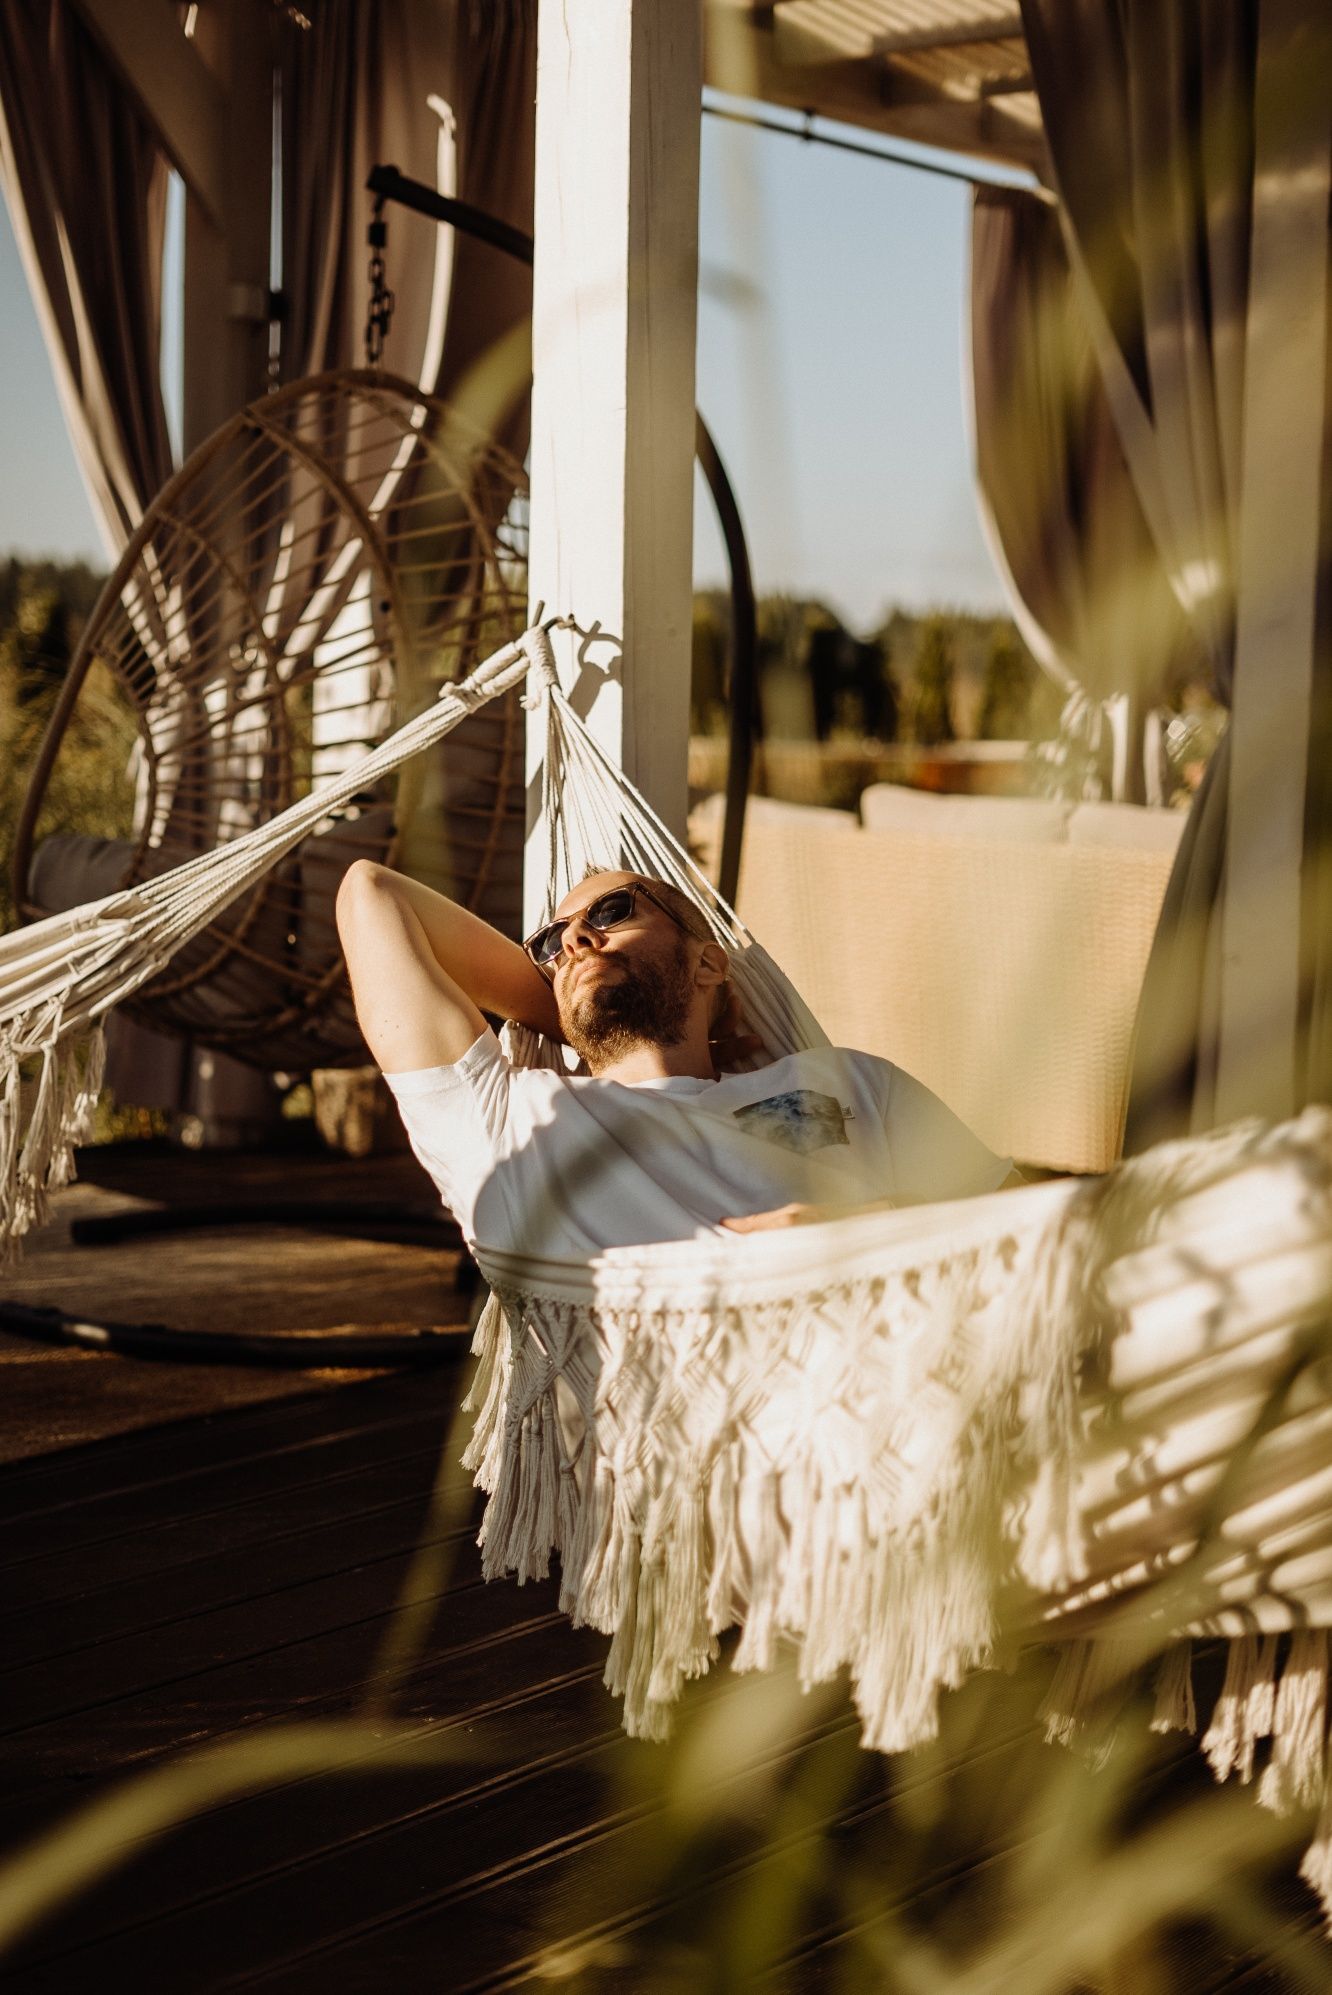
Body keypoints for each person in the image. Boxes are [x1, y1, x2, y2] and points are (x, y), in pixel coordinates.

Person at [335, 861, 1015, 1262]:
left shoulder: (850, 1080)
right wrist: (577, 1003)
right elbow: (370, 892)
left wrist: (872, 1229)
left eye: (613, 909)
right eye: (550, 942)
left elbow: (1033, 1215)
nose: (573, 935)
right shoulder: (506, 1118)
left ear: (708, 961)